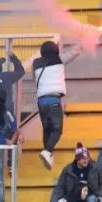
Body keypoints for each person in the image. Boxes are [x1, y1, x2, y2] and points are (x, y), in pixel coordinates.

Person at [32, 38, 81, 169]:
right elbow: (74, 52)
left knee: (47, 129)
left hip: (41, 101)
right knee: (57, 129)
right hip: (53, 100)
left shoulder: (36, 64)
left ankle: (48, 153)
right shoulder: (59, 60)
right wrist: (84, 38)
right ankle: (47, 151)